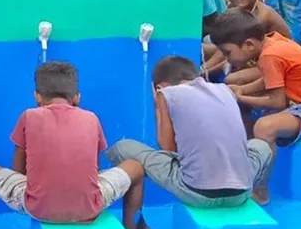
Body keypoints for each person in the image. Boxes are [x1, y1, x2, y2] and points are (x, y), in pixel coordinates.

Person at [0, 61, 147, 229]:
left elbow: (18, 171)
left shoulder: (28, 116)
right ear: (77, 98)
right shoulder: (91, 118)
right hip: (89, 209)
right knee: (135, 167)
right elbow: (94, 171)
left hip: (38, 208)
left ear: (37, 96)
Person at [105, 56, 273, 209]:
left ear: (158, 87)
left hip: (197, 193)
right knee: (260, 145)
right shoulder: (225, 90)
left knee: (122, 147)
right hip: (240, 192)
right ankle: (259, 195)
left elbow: (167, 149)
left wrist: (158, 104)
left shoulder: (167, 93)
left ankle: (133, 220)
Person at [210, 8, 301, 204]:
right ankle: (247, 159)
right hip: (299, 104)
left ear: (249, 45)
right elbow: (270, 80)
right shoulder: (272, 43)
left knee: (265, 127)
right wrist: (242, 90)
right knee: (243, 103)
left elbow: (277, 101)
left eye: (228, 53)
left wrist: (240, 97)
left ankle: (260, 189)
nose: (227, 59)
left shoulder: (270, 56)